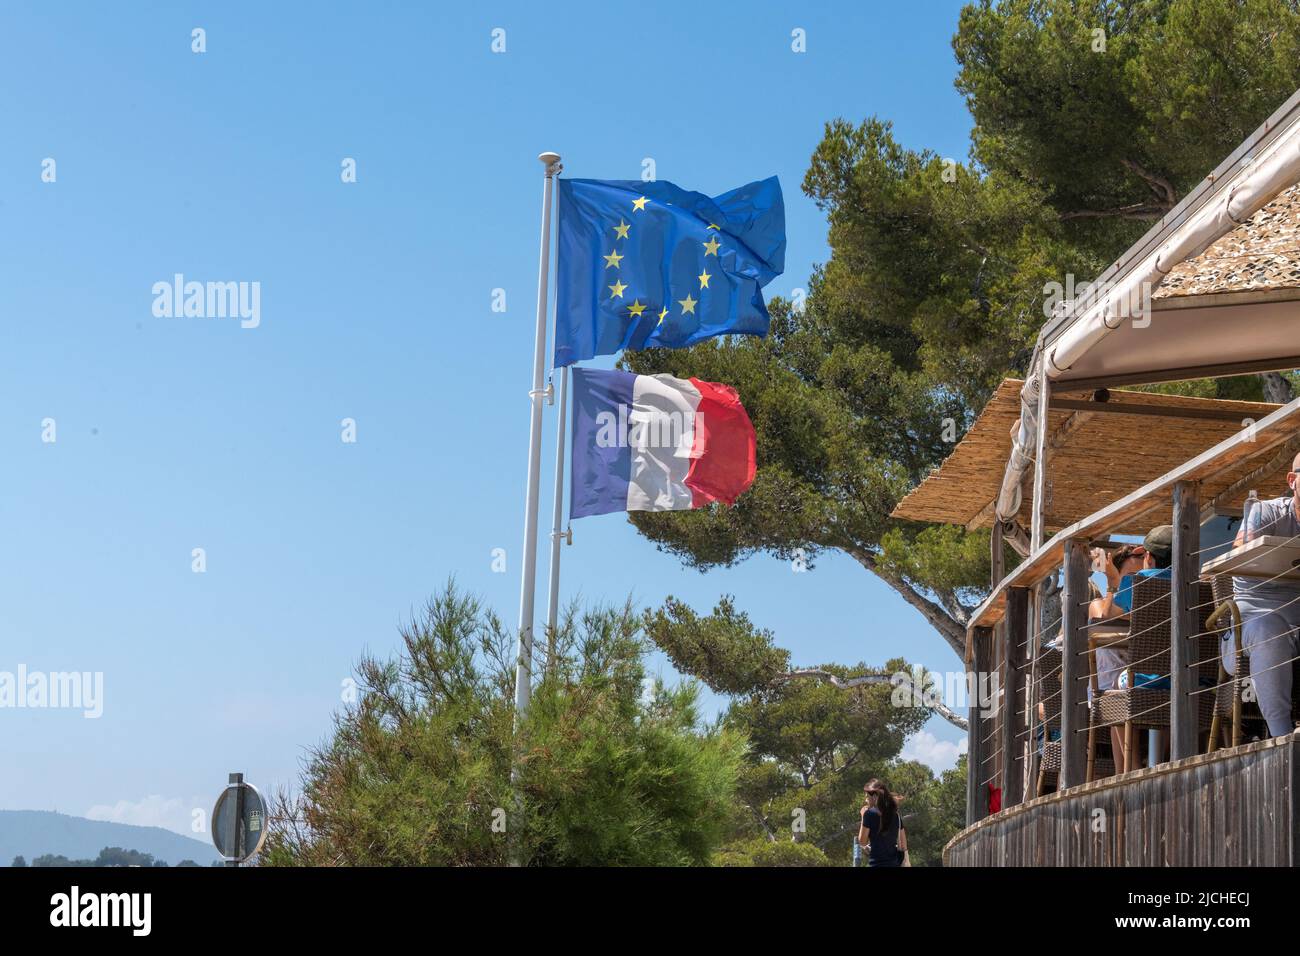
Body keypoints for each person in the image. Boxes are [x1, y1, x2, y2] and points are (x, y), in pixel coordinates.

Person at [1230, 456, 1300, 738]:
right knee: (1269, 628)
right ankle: (1282, 739)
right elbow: (1240, 549)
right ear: (1292, 480)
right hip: (1252, 623)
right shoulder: (1265, 511)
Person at [857, 779, 906, 867]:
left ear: (875, 796)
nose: (866, 800)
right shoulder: (895, 815)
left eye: (867, 797)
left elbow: (862, 841)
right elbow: (903, 844)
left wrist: (863, 817)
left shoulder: (869, 814)